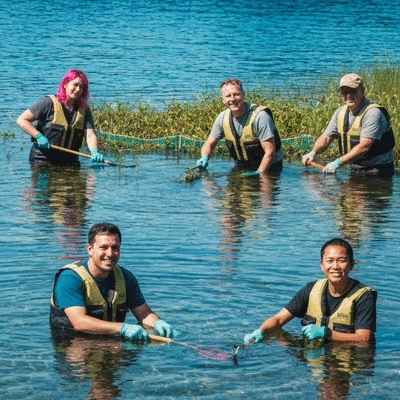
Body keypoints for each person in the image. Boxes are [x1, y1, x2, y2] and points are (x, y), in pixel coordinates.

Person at [50, 222, 178, 341]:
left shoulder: (126, 277)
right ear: (89, 249)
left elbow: (144, 314)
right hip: (73, 342)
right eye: (104, 247)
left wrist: (158, 323)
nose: (110, 254)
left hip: (111, 340)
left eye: (115, 248)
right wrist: (123, 328)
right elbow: (80, 322)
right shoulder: (70, 278)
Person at [243, 238, 377, 344]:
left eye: (341, 261)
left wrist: (326, 333)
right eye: (329, 261)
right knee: (277, 340)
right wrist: (260, 331)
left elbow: (364, 338)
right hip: (312, 353)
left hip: (346, 356)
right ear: (321, 265)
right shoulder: (311, 289)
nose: (335, 266)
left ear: (352, 265)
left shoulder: (364, 296)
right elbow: (278, 319)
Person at [302, 73, 395, 177]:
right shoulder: (340, 112)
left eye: (353, 91)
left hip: (378, 172)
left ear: (362, 91)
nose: (348, 95)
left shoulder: (373, 113)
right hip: (355, 169)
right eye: (344, 92)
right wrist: (313, 153)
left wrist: (337, 163)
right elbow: (326, 138)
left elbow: (364, 147)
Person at [17, 69, 105, 166]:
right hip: (42, 158)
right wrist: (38, 136)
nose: (78, 90)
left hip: (71, 161)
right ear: (65, 84)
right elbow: (22, 120)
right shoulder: (48, 103)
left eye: (81, 87)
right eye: (75, 85)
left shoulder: (84, 110)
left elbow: (90, 135)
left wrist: (94, 151)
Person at [197, 78, 283, 176]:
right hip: (242, 166)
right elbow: (209, 144)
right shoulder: (222, 118)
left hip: (271, 167)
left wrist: (259, 174)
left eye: (236, 94)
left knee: (264, 189)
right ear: (223, 100)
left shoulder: (261, 117)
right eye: (228, 96)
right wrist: (204, 157)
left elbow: (270, 152)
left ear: (243, 94)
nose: (232, 99)